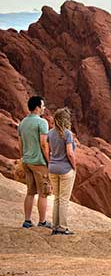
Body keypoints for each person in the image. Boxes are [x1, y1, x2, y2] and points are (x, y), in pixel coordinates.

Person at [18, 96, 52, 229]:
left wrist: (23, 158)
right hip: (38, 162)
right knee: (43, 193)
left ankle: (27, 221)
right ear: (37, 107)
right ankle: (42, 222)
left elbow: (20, 143)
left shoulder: (22, 122)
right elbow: (43, 144)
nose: (44, 108)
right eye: (43, 106)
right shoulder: (42, 123)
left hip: (26, 161)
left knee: (30, 192)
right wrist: (48, 162)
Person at [48, 107, 77, 235]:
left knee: (57, 198)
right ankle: (62, 227)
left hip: (53, 168)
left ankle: (54, 226)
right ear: (66, 120)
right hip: (65, 169)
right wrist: (74, 166)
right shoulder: (67, 134)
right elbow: (70, 153)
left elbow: (50, 150)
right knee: (64, 199)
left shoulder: (50, 133)